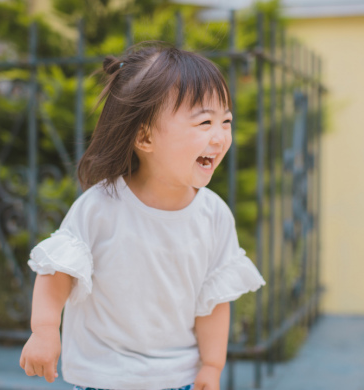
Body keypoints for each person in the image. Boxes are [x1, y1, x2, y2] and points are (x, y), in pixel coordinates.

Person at [19, 42, 266, 390]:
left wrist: (212, 365)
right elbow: (57, 274)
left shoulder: (214, 216)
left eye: (226, 121)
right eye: (205, 121)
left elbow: (212, 301)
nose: (220, 135)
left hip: (177, 377)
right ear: (145, 136)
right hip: (102, 376)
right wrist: (44, 331)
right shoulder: (99, 207)